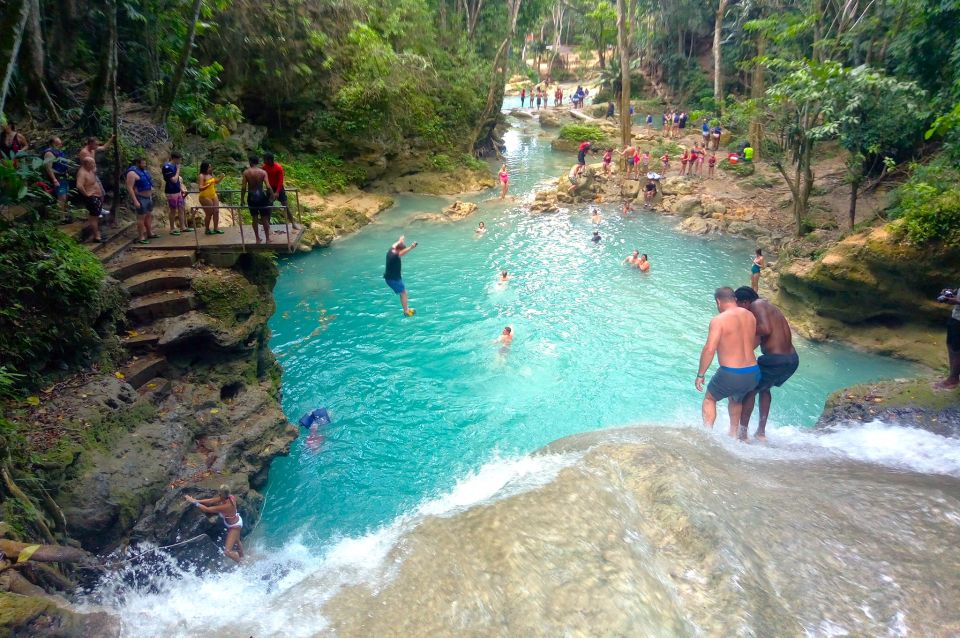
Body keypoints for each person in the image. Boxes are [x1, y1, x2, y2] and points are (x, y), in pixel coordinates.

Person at [734, 287, 800, 440]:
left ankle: (742, 435)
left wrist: (743, 327)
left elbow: (765, 329)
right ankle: (761, 432)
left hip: (776, 360)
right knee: (765, 389)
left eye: (738, 306)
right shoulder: (768, 308)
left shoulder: (757, 305)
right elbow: (758, 339)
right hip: (790, 360)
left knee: (750, 390)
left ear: (744, 302)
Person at [695, 287, 760, 439]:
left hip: (732, 373)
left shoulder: (719, 320)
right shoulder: (750, 315)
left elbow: (710, 349)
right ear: (734, 299)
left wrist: (700, 374)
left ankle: (707, 437)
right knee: (736, 399)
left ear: (718, 301)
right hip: (753, 372)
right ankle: (733, 435)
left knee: (710, 399)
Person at [184, 486, 244, 563]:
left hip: (234, 526)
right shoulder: (229, 497)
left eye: (220, 494)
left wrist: (194, 502)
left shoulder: (226, 506)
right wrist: (195, 500)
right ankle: (242, 557)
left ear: (223, 495)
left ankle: (241, 563)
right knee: (237, 541)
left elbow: (207, 509)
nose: (218, 494)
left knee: (227, 552)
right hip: (236, 520)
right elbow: (211, 501)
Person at [240, 155, 274, 244]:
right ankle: (267, 239)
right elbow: (268, 186)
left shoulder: (246, 173)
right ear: (257, 162)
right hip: (262, 197)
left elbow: (243, 188)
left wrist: (242, 200)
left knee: (254, 218)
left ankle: (257, 239)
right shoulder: (263, 172)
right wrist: (272, 196)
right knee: (265, 218)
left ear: (250, 162)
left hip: (251, 197)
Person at [384, 235, 418, 316]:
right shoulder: (395, 256)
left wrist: (400, 240)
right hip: (393, 279)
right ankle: (406, 311)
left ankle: (406, 309)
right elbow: (402, 252)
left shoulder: (391, 250)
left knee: (403, 292)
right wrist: (412, 247)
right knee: (404, 293)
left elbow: (396, 244)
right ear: (399, 250)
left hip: (390, 277)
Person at [263, 153, 299, 230]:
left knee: (285, 206)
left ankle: (293, 223)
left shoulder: (278, 167)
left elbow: (280, 181)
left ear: (269, 160)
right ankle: (267, 225)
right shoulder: (264, 167)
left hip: (279, 188)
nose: (264, 161)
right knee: (268, 207)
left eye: (265, 159)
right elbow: (264, 179)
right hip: (270, 188)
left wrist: (277, 192)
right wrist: (271, 191)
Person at [125, 157, 156, 244]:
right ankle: (141, 237)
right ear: (137, 164)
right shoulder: (132, 173)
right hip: (140, 198)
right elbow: (129, 187)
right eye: (142, 163)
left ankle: (150, 232)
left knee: (149, 215)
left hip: (148, 197)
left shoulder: (144, 171)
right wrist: (135, 200)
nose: (144, 165)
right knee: (141, 218)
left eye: (145, 163)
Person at [161, 152, 191, 236]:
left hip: (178, 191)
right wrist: (178, 170)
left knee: (181, 208)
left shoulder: (175, 166)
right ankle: (172, 228)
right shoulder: (167, 167)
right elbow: (173, 180)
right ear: (174, 158)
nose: (180, 161)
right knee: (173, 210)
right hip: (171, 191)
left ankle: (183, 227)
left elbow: (177, 181)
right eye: (179, 159)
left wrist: (181, 189)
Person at [76, 157, 105, 242]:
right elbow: (79, 185)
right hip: (91, 197)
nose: (94, 165)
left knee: (95, 216)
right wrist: (86, 194)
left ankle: (94, 233)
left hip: (97, 196)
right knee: (94, 217)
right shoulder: (82, 173)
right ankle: (97, 236)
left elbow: (95, 169)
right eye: (92, 163)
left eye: (94, 163)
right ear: (86, 164)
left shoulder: (91, 169)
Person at [936, 286, 960, 389]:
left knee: (957, 349)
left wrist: (954, 300)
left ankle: (953, 379)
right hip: (956, 317)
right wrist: (950, 294)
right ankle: (953, 376)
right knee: (951, 345)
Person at [42, 137, 70, 220]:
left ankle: (64, 214)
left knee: (65, 196)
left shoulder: (59, 151)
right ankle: (61, 217)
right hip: (57, 177)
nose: (60, 145)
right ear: (53, 144)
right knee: (62, 197)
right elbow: (48, 168)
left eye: (60, 143)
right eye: (58, 144)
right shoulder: (49, 153)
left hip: (63, 176)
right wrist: (54, 180)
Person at [198, 161, 226, 235]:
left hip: (213, 194)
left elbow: (216, 182)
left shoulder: (211, 174)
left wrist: (221, 177)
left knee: (216, 211)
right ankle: (207, 229)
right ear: (205, 168)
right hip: (204, 196)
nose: (210, 168)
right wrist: (208, 185)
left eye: (210, 167)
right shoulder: (201, 176)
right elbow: (200, 188)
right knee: (209, 213)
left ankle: (216, 228)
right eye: (209, 167)